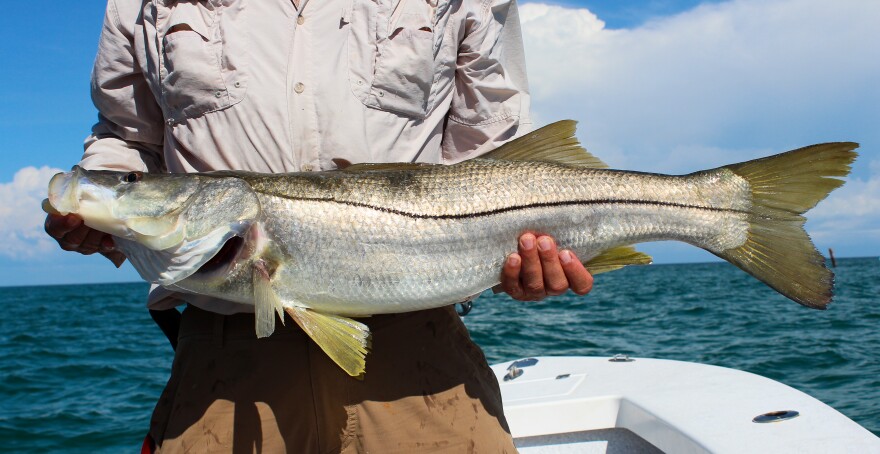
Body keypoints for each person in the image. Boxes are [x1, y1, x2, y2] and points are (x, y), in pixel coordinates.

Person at [45, 0, 593, 451]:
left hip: (422, 365)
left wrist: (524, 257)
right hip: (223, 375)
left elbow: (496, 154)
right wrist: (110, 195)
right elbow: (127, 138)